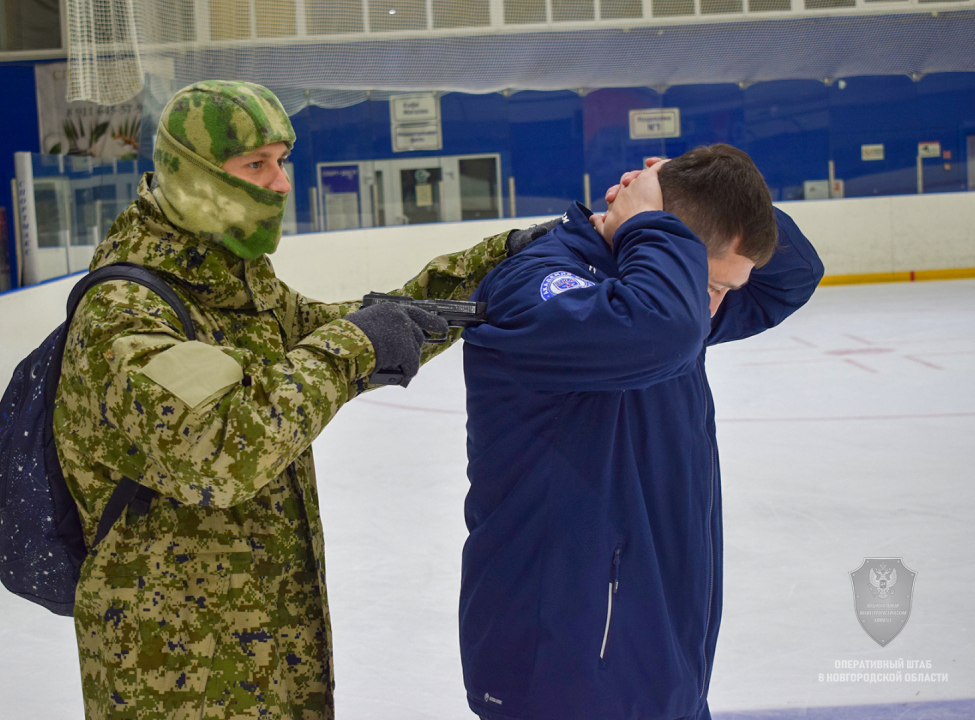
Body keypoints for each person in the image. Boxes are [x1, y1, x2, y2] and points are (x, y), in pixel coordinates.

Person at [52, 80, 539, 719]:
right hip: (175, 685)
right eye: (256, 165)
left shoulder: (232, 285)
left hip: (267, 667)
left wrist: (492, 265)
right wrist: (352, 346)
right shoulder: (126, 313)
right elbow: (217, 451)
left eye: (282, 161)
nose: (281, 184)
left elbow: (344, 329)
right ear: (192, 176)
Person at [459, 145, 824, 720]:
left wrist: (705, 192)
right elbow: (660, 326)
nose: (710, 312)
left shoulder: (669, 300)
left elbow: (793, 277)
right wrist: (658, 223)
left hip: (658, 662)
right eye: (708, 286)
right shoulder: (536, 287)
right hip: (560, 668)